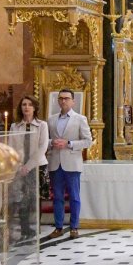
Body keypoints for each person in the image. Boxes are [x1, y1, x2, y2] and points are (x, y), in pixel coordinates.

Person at [47, 89, 93, 239]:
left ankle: (74, 227)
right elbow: (44, 141)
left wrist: (69, 143)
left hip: (72, 162)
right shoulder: (51, 120)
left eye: (67, 98)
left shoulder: (80, 119)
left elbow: (88, 141)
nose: (63, 101)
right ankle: (58, 226)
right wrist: (51, 142)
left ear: (73, 101)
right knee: (58, 196)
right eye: (61, 98)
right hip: (55, 161)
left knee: (74, 196)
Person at [9, 95, 49, 241]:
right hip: (19, 167)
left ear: (34, 108)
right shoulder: (15, 126)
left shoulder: (42, 125)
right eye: (24, 104)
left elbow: (43, 147)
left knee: (34, 197)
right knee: (21, 197)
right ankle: (25, 227)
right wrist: (19, 166)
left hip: (37, 165)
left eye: (29, 104)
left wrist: (29, 166)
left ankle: (34, 226)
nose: (26, 107)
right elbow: (11, 147)